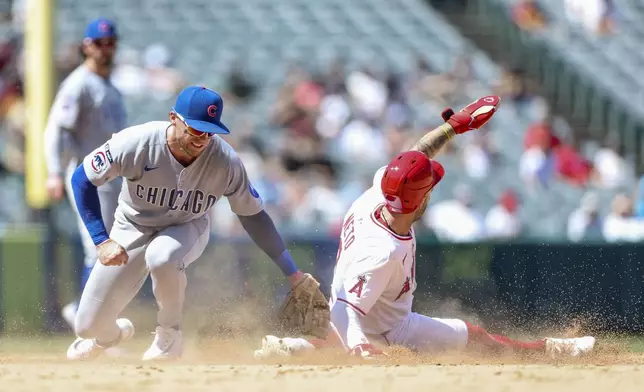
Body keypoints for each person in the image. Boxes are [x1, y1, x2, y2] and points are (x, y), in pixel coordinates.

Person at [254, 96, 596, 360]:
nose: (433, 189)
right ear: (418, 201)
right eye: (430, 187)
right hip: (389, 328)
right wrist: (360, 349)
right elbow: (344, 311)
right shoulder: (382, 250)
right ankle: (554, 351)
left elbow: (414, 153)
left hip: (371, 306)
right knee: (475, 339)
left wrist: (453, 128)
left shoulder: (381, 191)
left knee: (345, 334)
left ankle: (293, 348)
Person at [66, 85, 312, 361]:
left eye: (209, 131)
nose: (203, 138)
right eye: (195, 129)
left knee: (162, 257)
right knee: (85, 326)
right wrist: (101, 239)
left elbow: (253, 216)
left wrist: (291, 272)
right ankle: (110, 336)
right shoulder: (137, 142)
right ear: (174, 118)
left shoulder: (225, 161)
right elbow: (82, 179)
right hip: (132, 225)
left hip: (187, 227)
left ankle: (169, 335)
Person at [43, 18, 127, 328]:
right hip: (88, 177)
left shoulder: (109, 86)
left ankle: (87, 315)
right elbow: (56, 131)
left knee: (114, 252)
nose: (106, 49)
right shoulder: (78, 84)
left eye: (111, 43)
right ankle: (88, 325)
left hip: (111, 178)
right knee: (101, 249)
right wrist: (54, 171)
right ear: (86, 46)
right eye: (99, 43)